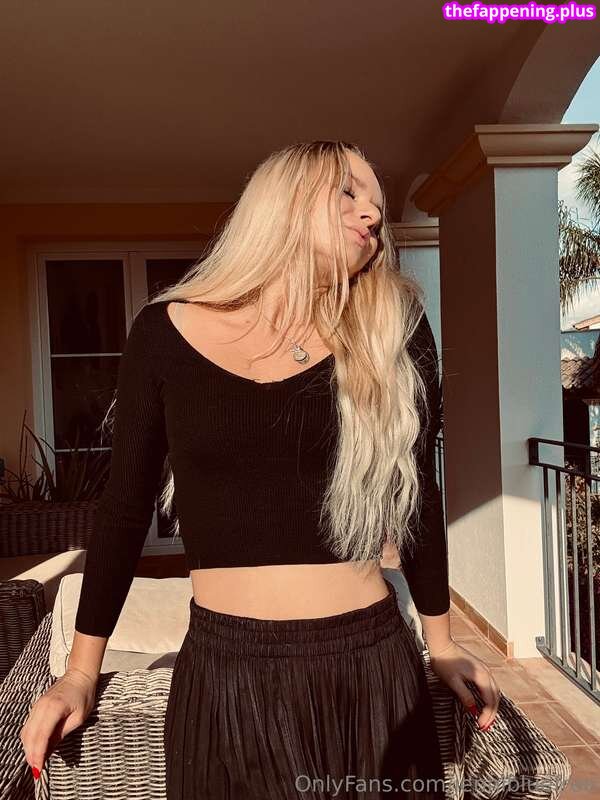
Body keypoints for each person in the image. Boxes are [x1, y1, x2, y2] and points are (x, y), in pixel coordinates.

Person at [20, 140, 500, 799]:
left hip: (370, 667)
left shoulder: (394, 330)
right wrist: (80, 673)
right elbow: (124, 510)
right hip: (224, 674)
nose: (371, 215)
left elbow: (417, 497)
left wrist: (441, 645)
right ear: (283, 199)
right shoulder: (164, 333)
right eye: (349, 192)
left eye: (377, 206)